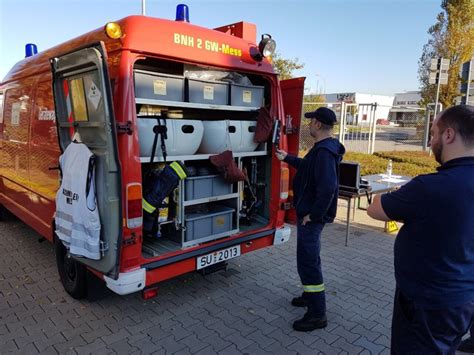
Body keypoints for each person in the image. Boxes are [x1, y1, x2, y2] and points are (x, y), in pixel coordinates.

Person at [367, 105, 474, 353]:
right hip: (463, 301)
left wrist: (399, 195)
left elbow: (375, 209)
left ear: (449, 135)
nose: (431, 140)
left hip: (427, 304)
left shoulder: (429, 187)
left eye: (434, 133)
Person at [276, 107, 345, 332]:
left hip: (311, 218)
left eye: (310, 122)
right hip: (310, 215)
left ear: (317, 124)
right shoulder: (323, 149)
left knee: (308, 262)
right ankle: (309, 295)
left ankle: (317, 314)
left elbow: (328, 188)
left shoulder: (324, 152)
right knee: (308, 259)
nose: (307, 126)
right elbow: (308, 168)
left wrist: (313, 215)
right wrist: (287, 158)